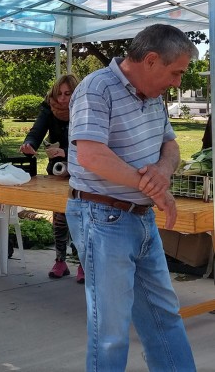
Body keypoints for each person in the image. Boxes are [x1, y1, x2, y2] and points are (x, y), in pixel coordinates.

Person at [66, 23, 196, 371]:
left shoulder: (153, 96)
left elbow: (170, 145)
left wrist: (163, 173)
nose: (177, 82)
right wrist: (151, 187)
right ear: (151, 60)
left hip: (140, 218)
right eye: (175, 72)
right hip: (102, 217)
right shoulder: (97, 88)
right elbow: (91, 155)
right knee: (111, 329)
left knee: (163, 315)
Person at [20, 74, 82, 282]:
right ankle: (60, 261)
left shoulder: (85, 107)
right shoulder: (49, 108)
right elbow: (37, 131)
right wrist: (29, 144)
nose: (63, 99)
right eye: (59, 94)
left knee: (80, 218)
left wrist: (66, 152)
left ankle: (83, 263)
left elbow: (88, 140)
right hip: (57, 171)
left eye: (68, 93)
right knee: (59, 218)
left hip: (82, 170)